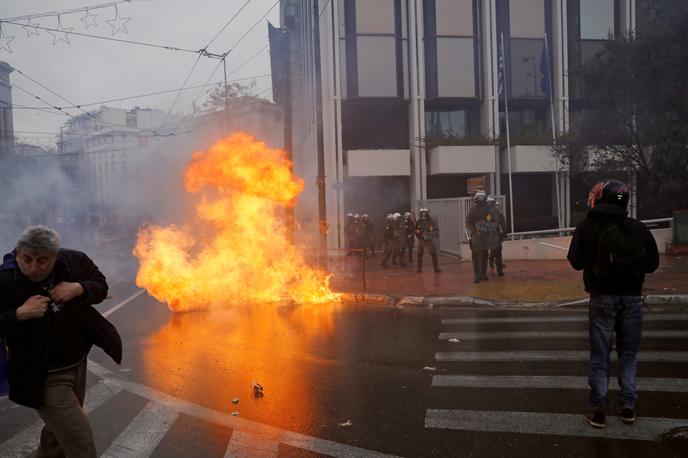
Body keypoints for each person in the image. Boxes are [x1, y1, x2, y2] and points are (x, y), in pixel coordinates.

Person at [0, 226, 122, 457]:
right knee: (79, 438)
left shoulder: (74, 262)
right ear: (18, 254)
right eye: (27, 259)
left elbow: (100, 285)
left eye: (42, 261)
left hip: (76, 364)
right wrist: (18, 314)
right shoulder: (5, 280)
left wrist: (78, 288)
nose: (34, 268)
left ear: (56, 256)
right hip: (41, 374)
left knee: (56, 438)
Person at [567, 180, 659, 429]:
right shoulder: (638, 228)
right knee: (628, 355)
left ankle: (598, 411)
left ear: (598, 198)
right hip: (632, 299)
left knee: (600, 356)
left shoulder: (587, 226)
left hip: (602, 299)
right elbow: (652, 264)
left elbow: (575, 261)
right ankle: (628, 407)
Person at [466, 191, 500, 283]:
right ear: (476, 200)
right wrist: (474, 231)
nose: (480, 200)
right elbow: (468, 222)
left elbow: (494, 220)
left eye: (482, 198)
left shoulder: (489, 210)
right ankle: (477, 275)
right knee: (476, 256)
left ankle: (484, 274)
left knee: (485, 256)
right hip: (476, 237)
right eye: (479, 198)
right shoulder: (472, 210)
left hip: (486, 236)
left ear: (485, 199)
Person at [415, 208, 441, 273]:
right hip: (421, 240)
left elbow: (436, 230)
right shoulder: (418, 221)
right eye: (422, 212)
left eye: (425, 212)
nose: (423, 214)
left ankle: (436, 268)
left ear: (427, 213)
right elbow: (416, 230)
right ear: (420, 214)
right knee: (419, 254)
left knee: (433, 254)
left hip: (429, 240)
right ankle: (419, 268)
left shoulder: (431, 221)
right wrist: (418, 234)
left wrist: (430, 234)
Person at [487, 196, 507, 276]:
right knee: (494, 250)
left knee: (498, 251)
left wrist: (504, 233)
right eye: (489, 203)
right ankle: (491, 261)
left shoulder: (498, 213)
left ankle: (499, 268)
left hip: (497, 236)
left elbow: (503, 224)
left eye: (491, 203)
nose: (490, 205)